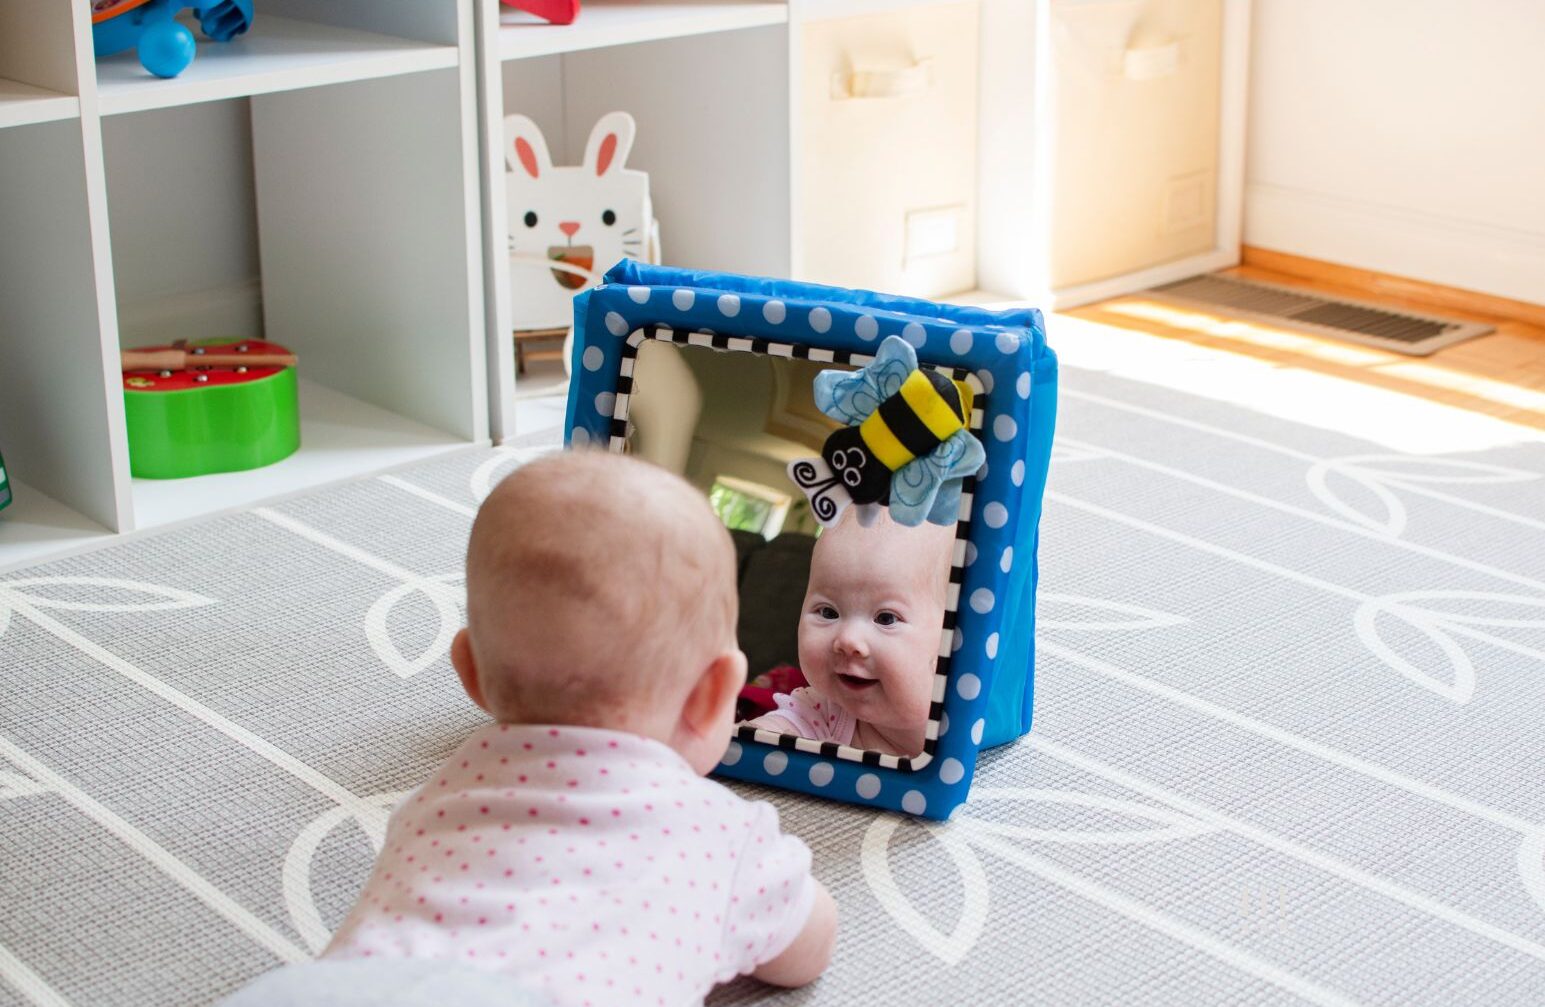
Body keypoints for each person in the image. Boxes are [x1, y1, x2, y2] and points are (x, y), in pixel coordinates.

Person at [224, 451, 836, 1007]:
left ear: (470, 672)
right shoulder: (723, 834)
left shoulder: (441, 795)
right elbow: (807, 951)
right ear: (713, 694)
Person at [743, 507, 954, 757]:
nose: (847, 640)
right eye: (828, 612)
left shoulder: (980, 731)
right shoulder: (820, 713)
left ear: (953, 636)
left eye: (886, 618)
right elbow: (764, 738)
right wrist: (747, 742)